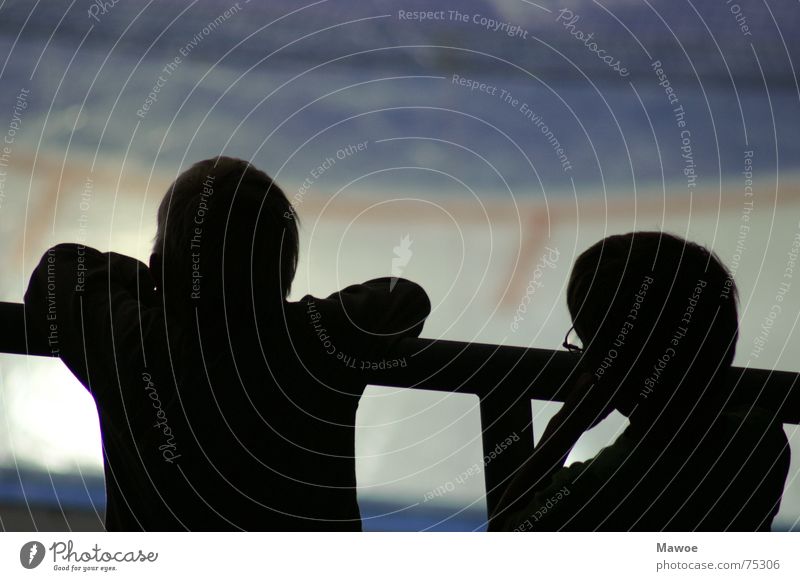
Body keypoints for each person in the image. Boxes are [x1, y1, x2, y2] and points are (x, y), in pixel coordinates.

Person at [23, 156, 430, 531]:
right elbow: (405, 298)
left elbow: (58, 272)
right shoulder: (317, 343)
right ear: (282, 276)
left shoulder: (134, 344)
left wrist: (150, 290)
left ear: (162, 270)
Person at [491, 232, 790, 531]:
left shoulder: (595, 492)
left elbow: (503, 537)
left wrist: (567, 424)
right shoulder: (761, 441)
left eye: (587, 345)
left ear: (604, 366)